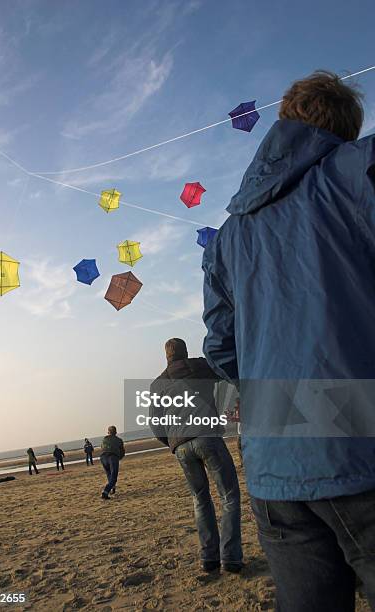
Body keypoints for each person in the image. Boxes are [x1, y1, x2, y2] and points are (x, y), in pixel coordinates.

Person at [202, 70, 375, 610]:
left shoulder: (228, 236)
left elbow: (221, 347)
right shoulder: (357, 170)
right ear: (344, 130)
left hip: (275, 467)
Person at [150, 338, 243, 574]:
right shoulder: (200, 366)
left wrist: (172, 442)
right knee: (229, 495)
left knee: (200, 499)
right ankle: (230, 558)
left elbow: (156, 424)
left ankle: (209, 559)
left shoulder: (158, 384)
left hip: (181, 446)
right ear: (185, 352)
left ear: (166, 356)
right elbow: (225, 369)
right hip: (206, 436)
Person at [100, 426, 125, 499]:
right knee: (113, 477)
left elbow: (102, 448)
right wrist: (118, 458)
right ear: (116, 432)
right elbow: (122, 452)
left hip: (103, 458)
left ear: (108, 432)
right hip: (112, 457)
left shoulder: (104, 439)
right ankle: (105, 491)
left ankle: (112, 488)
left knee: (109, 475)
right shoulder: (119, 440)